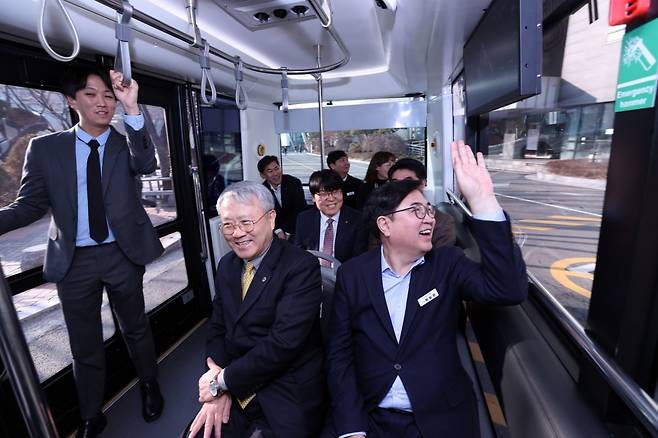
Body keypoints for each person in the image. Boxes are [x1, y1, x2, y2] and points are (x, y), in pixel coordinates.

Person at [0, 68, 165, 438]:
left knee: (136, 328)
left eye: (108, 95)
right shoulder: (44, 148)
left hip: (122, 254)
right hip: (74, 261)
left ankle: (150, 384)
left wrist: (132, 107)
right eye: (91, 95)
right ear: (73, 102)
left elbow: (147, 164)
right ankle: (92, 413)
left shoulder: (126, 142)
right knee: (84, 344)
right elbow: (29, 206)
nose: (103, 102)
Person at [324, 141, 527, 438]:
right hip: (371, 418)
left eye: (429, 210)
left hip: (439, 416)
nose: (429, 217)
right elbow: (340, 355)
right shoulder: (354, 274)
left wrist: (484, 201)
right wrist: (352, 429)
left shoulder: (447, 264)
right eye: (416, 211)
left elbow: (508, 289)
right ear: (385, 225)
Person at [186, 181, 326, 438]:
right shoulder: (228, 265)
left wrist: (222, 382)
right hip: (237, 379)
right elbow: (217, 327)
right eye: (227, 225)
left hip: (283, 388)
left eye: (246, 222)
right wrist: (218, 380)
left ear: (271, 219)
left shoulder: (300, 266)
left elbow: (283, 344)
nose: (236, 233)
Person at [294, 169, 368, 265]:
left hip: (344, 274)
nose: (331, 198)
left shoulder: (357, 219)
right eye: (324, 194)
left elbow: (358, 259)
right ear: (313, 197)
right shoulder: (304, 219)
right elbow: (298, 254)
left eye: (336, 192)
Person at [388, 158, 456, 248]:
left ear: (424, 183)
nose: (401, 187)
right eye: (396, 183)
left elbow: (442, 258)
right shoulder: (384, 217)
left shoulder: (442, 221)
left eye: (408, 181)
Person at [257, 155, 307, 240]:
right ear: (263, 175)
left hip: (297, 226)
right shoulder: (262, 191)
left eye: (277, 168)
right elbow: (267, 215)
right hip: (276, 229)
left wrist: (288, 232)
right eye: (270, 171)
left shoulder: (294, 183)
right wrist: (279, 231)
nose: (275, 173)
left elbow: (299, 209)